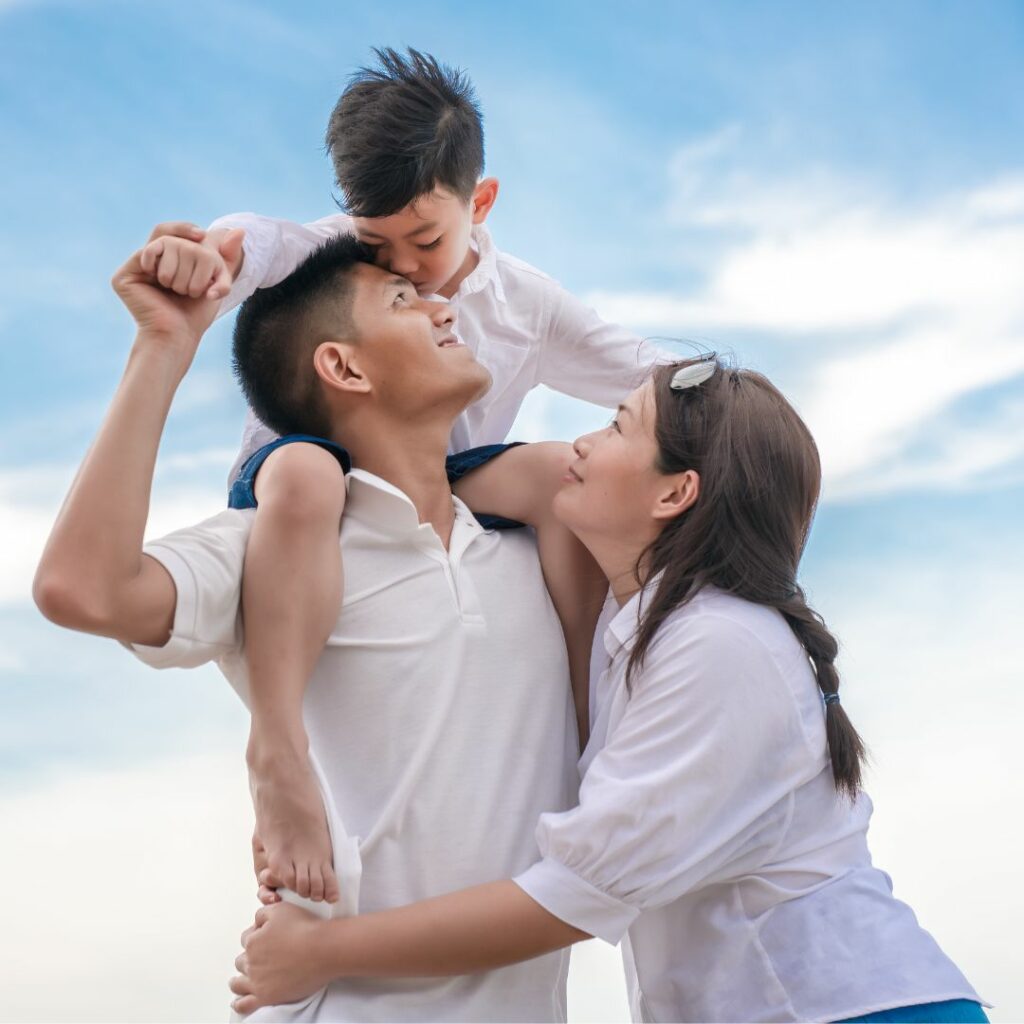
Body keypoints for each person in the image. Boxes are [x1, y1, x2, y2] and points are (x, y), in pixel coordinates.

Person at [229, 356, 989, 1024]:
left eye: (619, 427)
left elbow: (570, 896)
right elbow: (424, 483)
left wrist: (323, 952)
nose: (583, 444)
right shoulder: (642, 627)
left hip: (853, 1009)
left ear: (674, 493)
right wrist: (309, 479)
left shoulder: (722, 644)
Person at [140, 47, 661, 904]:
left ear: (479, 203)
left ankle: (586, 728)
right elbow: (252, 241)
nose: (406, 269)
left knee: (556, 476)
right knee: (310, 475)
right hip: (303, 470)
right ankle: (275, 747)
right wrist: (202, 256)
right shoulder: (337, 257)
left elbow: (636, 369)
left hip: (440, 481)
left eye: (426, 241)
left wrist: (722, 392)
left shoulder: (527, 304)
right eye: (377, 244)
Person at [34, 234, 591, 1022]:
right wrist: (162, 346)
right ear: (344, 368)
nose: (442, 309)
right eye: (404, 301)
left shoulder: (535, 546)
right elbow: (80, 588)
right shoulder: (277, 549)